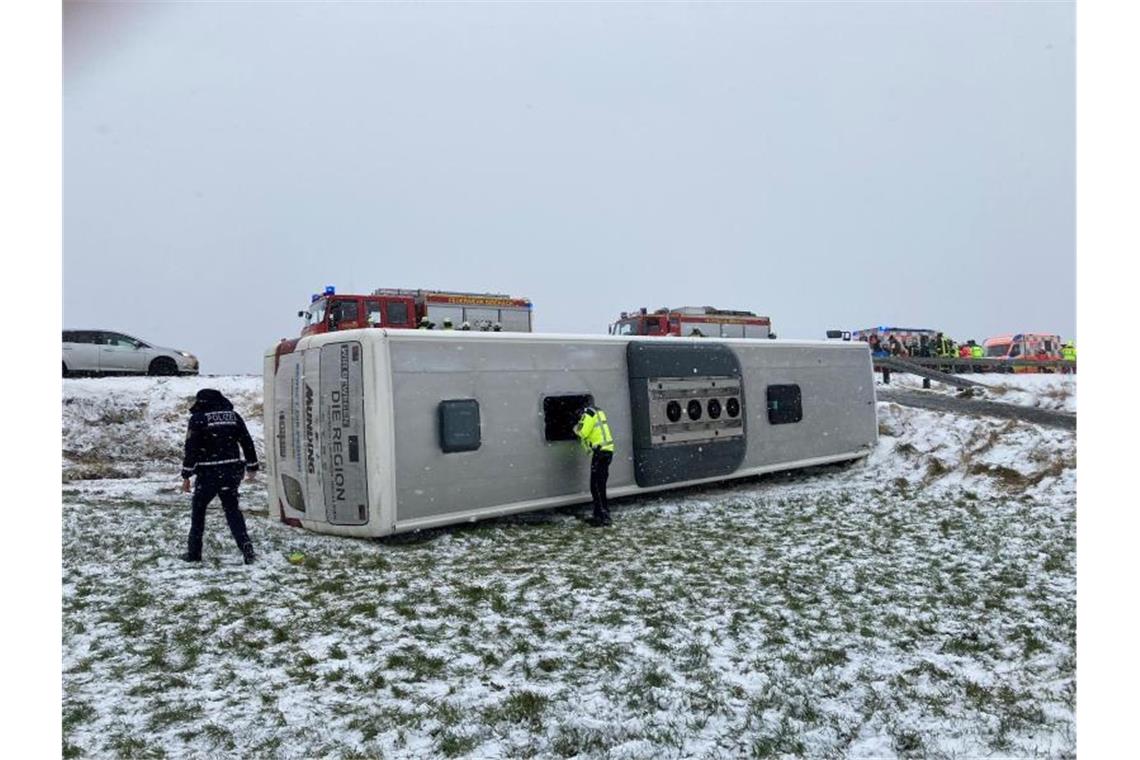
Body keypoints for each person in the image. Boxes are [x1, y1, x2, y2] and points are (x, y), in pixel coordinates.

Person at [180, 389, 259, 564]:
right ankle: (246, 547)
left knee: (198, 511)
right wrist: (252, 465)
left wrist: (186, 474)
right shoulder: (233, 416)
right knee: (232, 510)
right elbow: (246, 441)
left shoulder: (199, 419)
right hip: (232, 470)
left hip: (208, 473)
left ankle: (194, 553)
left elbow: (191, 448)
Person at [573, 405, 615, 527]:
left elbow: (582, 432)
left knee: (596, 486)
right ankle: (600, 514)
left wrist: (575, 428)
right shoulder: (597, 412)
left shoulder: (588, 414)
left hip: (600, 452)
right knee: (600, 485)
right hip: (607, 451)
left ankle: (603, 517)